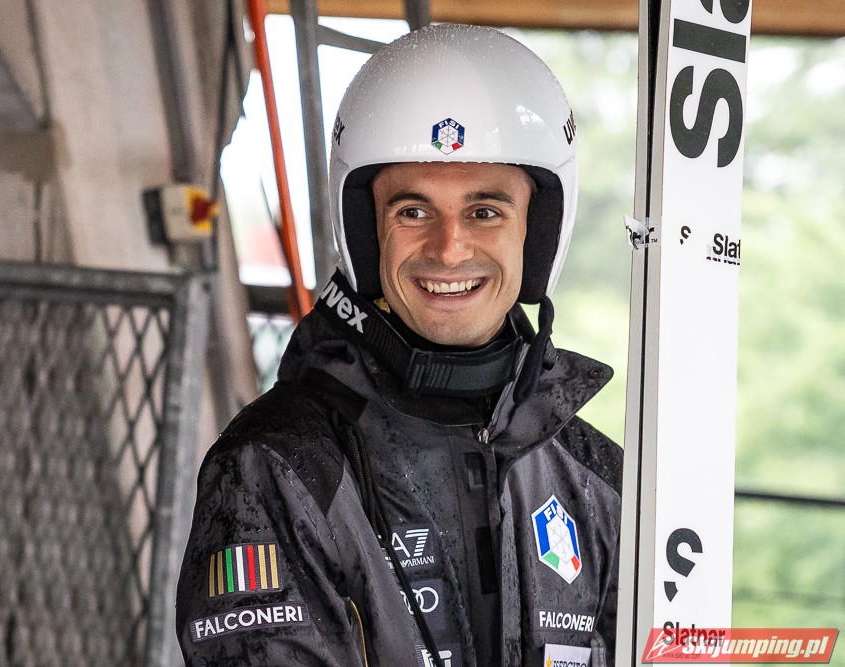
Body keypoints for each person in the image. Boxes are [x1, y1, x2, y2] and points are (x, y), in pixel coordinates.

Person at [175, 24, 622, 667]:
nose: (449, 249)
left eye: (485, 212)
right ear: (366, 234)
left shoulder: (597, 479)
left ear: (538, 232)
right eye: (413, 212)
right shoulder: (279, 467)